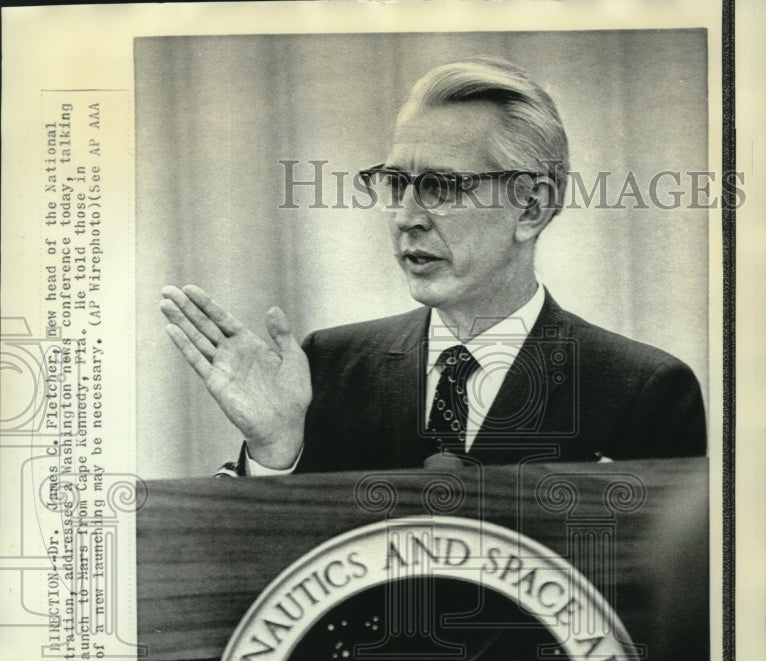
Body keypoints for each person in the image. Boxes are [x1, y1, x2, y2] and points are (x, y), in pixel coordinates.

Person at [159, 56, 706, 476]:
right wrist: (275, 450)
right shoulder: (328, 367)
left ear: (532, 206)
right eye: (396, 183)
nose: (405, 217)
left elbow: (670, 602)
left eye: (441, 187)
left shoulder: (645, 392)